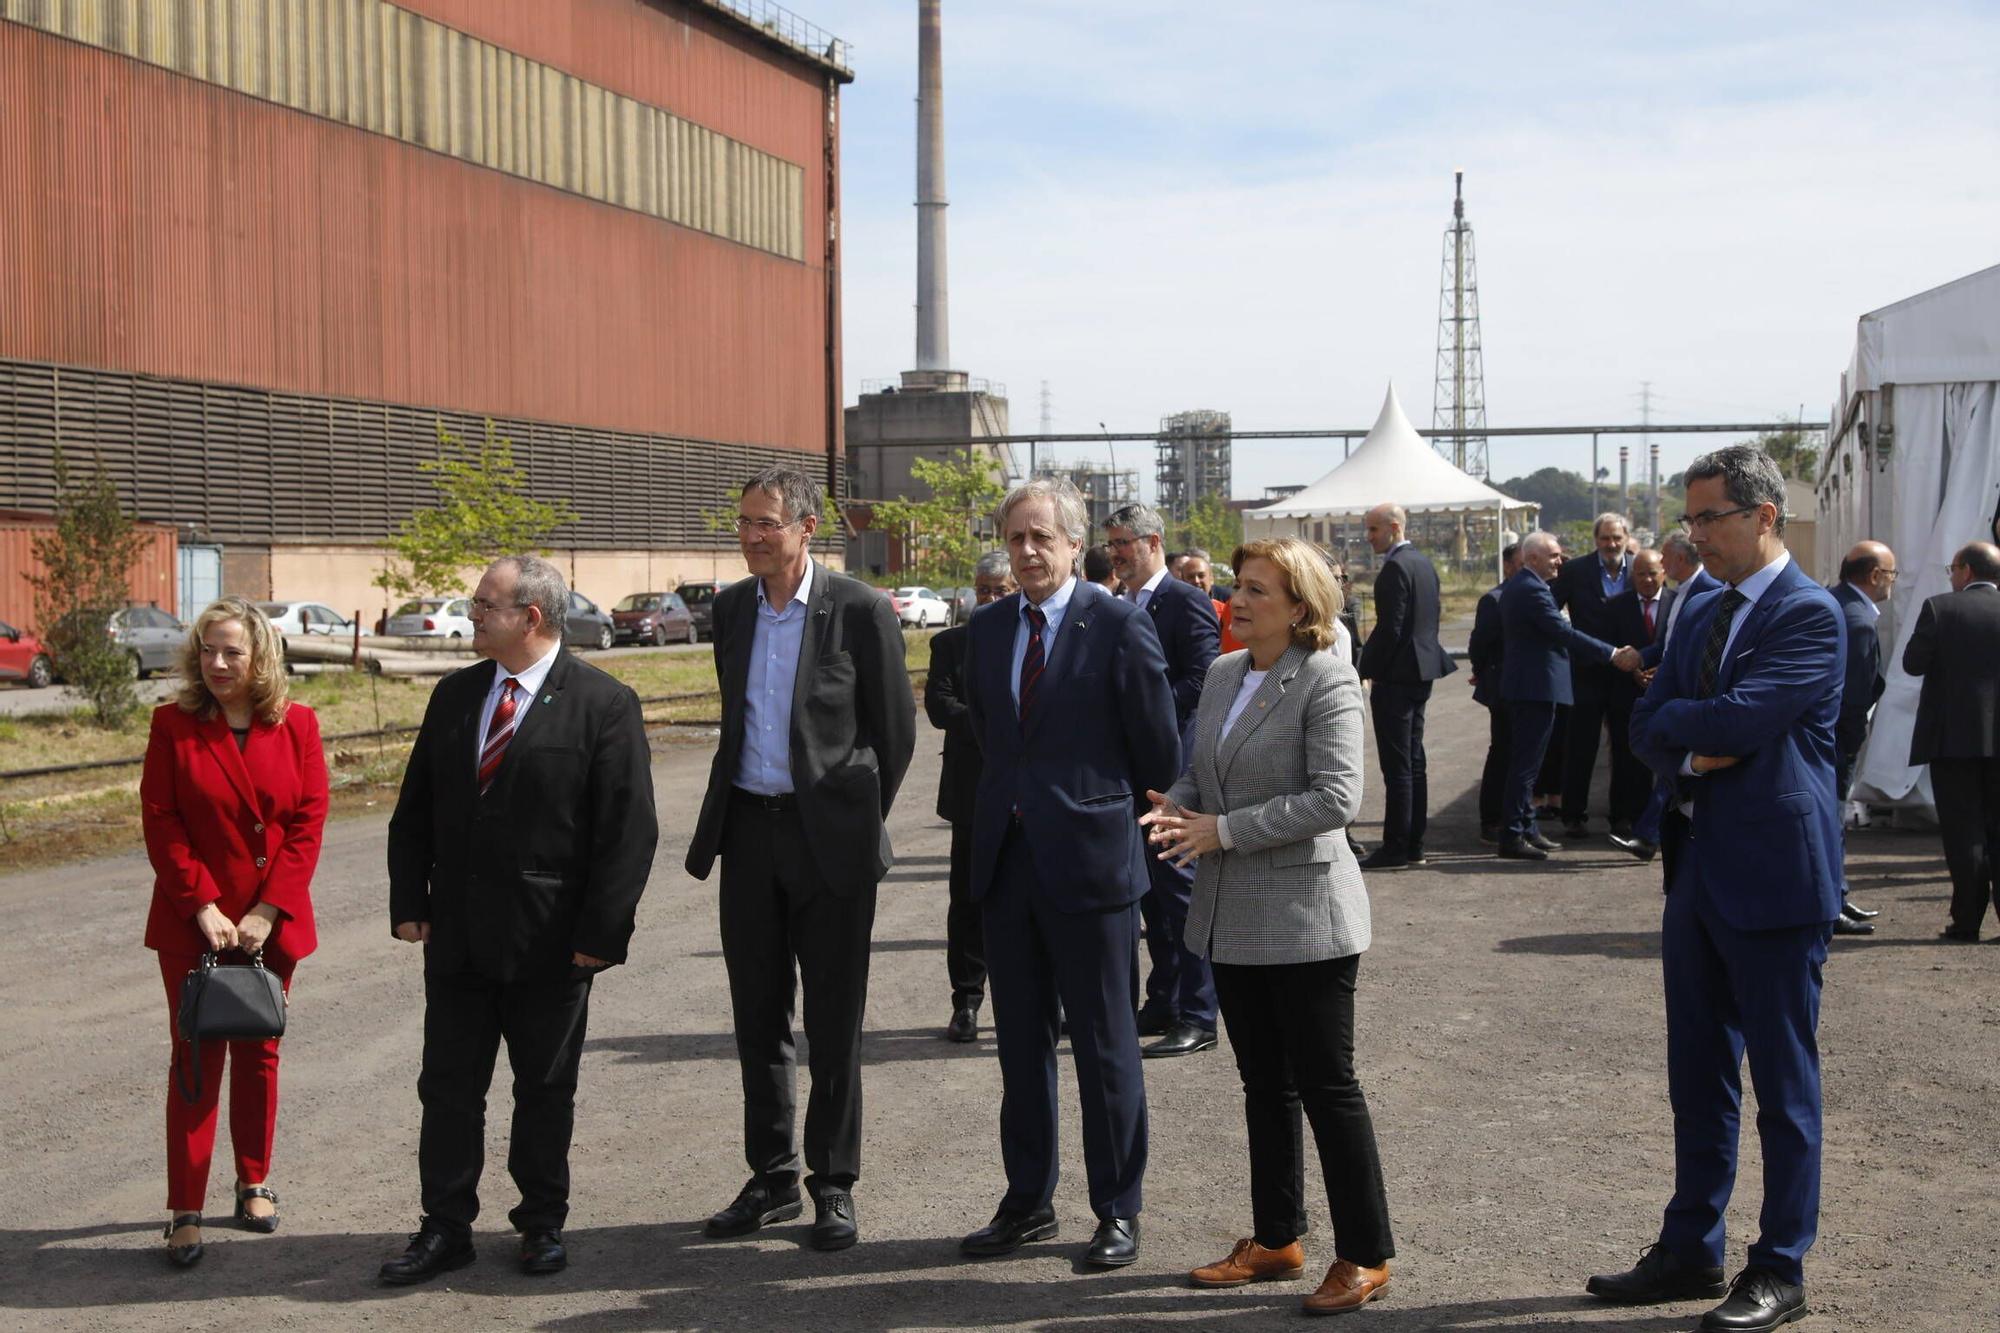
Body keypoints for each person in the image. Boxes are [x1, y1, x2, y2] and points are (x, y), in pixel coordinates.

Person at [1594, 445, 1844, 1333]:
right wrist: (1692, 742)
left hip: (1778, 876)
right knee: (1696, 1074)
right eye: (1691, 518)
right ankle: (1691, 1245)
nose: (1695, 535)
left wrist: (1684, 730)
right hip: (1696, 866)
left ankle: (1780, 1265)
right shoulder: (1704, 607)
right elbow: (1645, 720)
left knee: (1784, 1083)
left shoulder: (1810, 614)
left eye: (1710, 518)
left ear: (1764, 515)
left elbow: (1746, 717)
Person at [383, 555, 657, 1283]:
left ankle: (540, 1222)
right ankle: (445, 1225)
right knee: (447, 1087)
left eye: (484, 607)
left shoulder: (603, 703)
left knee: (543, 1087)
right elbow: (415, 811)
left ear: (530, 616)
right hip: (459, 935)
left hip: (552, 941)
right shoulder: (455, 696)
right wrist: (411, 901)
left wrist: (601, 935)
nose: (471, 616)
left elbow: (627, 832)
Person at [1142, 537, 1395, 1317]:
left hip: (1305, 914)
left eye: (1255, 589)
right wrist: (1176, 805)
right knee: (1264, 1086)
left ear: (1300, 603)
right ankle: (1278, 1237)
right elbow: (1204, 770)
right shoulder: (1225, 673)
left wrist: (1222, 830)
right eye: (1236, 586)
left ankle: (1365, 1252)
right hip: (1231, 914)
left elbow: (1336, 799)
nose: (1237, 600)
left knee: (1327, 1085)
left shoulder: (1327, 677)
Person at [684, 467, 916, 1251]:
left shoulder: (856, 608)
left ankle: (834, 1182)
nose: (752, 535)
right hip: (749, 833)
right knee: (757, 1013)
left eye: (767, 523)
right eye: (744, 521)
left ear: (808, 528)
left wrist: (849, 818)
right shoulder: (734, 610)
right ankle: (773, 1174)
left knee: (834, 1018)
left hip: (831, 845)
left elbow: (895, 732)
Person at [957, 478, 1179, 1270]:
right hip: (1009, 868)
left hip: (1092, 869)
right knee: (1020, 1049)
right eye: (1016, 537)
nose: (1026, 552)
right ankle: (1028, 1201)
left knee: (1105, 1043)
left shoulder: (1118, 625)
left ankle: (1118, 1208)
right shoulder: (986, 629)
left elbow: (1157, 751)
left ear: (1075, 543)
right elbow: (994, 735)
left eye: (1041, 537)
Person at [141, 597, 326, 1268]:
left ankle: (254, 1180)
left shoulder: (299, 724)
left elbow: (308, 823)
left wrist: (268, 910)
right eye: (207, 651)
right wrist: (204, 906)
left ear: (261, 658)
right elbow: (161, 822)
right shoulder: (173, 724)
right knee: (193, 1059)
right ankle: (184, 1207)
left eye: (232, 652)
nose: (217, 663)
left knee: (259, 1052)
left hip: (268, 926)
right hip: (194, 921)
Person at [1106, 503, 1221, 1057]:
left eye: (1124, 543)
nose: (1116, 554)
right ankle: (1165, 1000)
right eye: (1111, 545)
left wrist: (1144, 715)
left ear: (1152, 541)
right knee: (1151, 896)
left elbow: (1202, 678)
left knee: (1182, 891)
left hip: (1173, 769)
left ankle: (1200, 1014)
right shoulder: (1117, 605)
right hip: (1131, 770)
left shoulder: (1186, 601)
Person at [1497, 534, 1635, 861]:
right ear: (1533, 559)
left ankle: (1526, 827)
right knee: (1526, 766)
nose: (1561, 561)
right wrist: (1612, 653)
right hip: (1534, 688)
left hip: (1535, 686)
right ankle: (1513, 834)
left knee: (1530, 763)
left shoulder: (1529, 586)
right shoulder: (1530, 590)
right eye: (1555, 556)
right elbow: (1563, 633)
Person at [924, 551, 1015, 1041]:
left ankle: (1032, 1002)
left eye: (1001, 590)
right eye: (984, 590)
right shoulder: (950, 644)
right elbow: (940, 705)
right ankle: (967, 1002)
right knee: (968, 900)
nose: (991, 598)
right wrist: (992, 728)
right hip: (971, 794)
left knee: (1027, 898)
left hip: (1027, 795)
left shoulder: (1033, 639)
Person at [1904, 541, 2000, 942]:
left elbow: (1912, 663)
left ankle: (1966, 921)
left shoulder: (1940, 608)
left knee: (1964, 832)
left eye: (1952, 568)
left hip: (1953, 738)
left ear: (1966, 571)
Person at [1356, 503, 1455, 869]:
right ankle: (1414, 843)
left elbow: (1391, 628)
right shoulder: (1423, 564)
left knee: (1398, 765)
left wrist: (1367, 667)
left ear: (1394, 527)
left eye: (1373, 530)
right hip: (1422, 669)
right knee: (1414, 761)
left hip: (1398, 676)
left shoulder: (1396, 568)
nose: (1368, 538)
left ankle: (1397, 846)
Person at [1614, 532, 1722, 865]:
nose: (1660, 564)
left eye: (1664, 556)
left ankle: (1650, 834)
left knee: (1674, 765)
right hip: (1671, 687)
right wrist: (1638, 658)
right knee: (1671, 765)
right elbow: (1668, 644)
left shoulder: (1709, 589)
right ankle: (1650, 835)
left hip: (1690, 694)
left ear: (1679, 558)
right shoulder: (1680, 594)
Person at [1552, 513, 1639, 840]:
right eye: (1605, 538)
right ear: (1596, 540)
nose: (1611, 544)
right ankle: (1573, 815)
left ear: (1626, 537)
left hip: (1627, 673)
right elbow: (1551, 612)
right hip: (1586, 671)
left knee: (1625, 748)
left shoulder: (1640, 568)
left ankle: (1622, 816)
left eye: (1617, 538)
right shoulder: (1575, 571)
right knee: (1580, 747)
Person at [1828, 541, 1897, 934]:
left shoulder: (1839, 604)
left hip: (1831, 737)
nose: (1893, 582)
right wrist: (1852, 741)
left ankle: (1837, 895)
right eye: (1891, 574)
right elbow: (1853, 697)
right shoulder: (1855, 619)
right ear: (1874, 576)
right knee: (1832, 819)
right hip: (1837, 739)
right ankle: (1830, 904)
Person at [1603, 549, 1669, 836]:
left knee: (1660, 759)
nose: (1647, 579)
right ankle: (1621, 817)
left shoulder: (1678, 603)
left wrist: (1659, 672)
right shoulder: (1616, 606)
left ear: (1663, 573)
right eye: (1640, 573)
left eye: (1652, 573)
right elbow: (1609, 648)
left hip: (1664, 694)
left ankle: (1653, 820)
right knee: (1623, 757)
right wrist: (1633, 671)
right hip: (1624, 693)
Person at [1469, 543, 1523, 843]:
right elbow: (1479, 642)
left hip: (1524, 687)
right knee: (1502, 751)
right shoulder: (1495, 599)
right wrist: (1481, 671)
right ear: (1508, 566)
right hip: (1503, 688)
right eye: (1521, 563)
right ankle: (1491, 819)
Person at [1176, 547, 1243, 653]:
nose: (1196, 581)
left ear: (1211, 578)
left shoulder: (1227, 610)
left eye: (1201, 575)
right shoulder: (1175, 612)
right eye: (1190, 577)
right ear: (1182, 581)